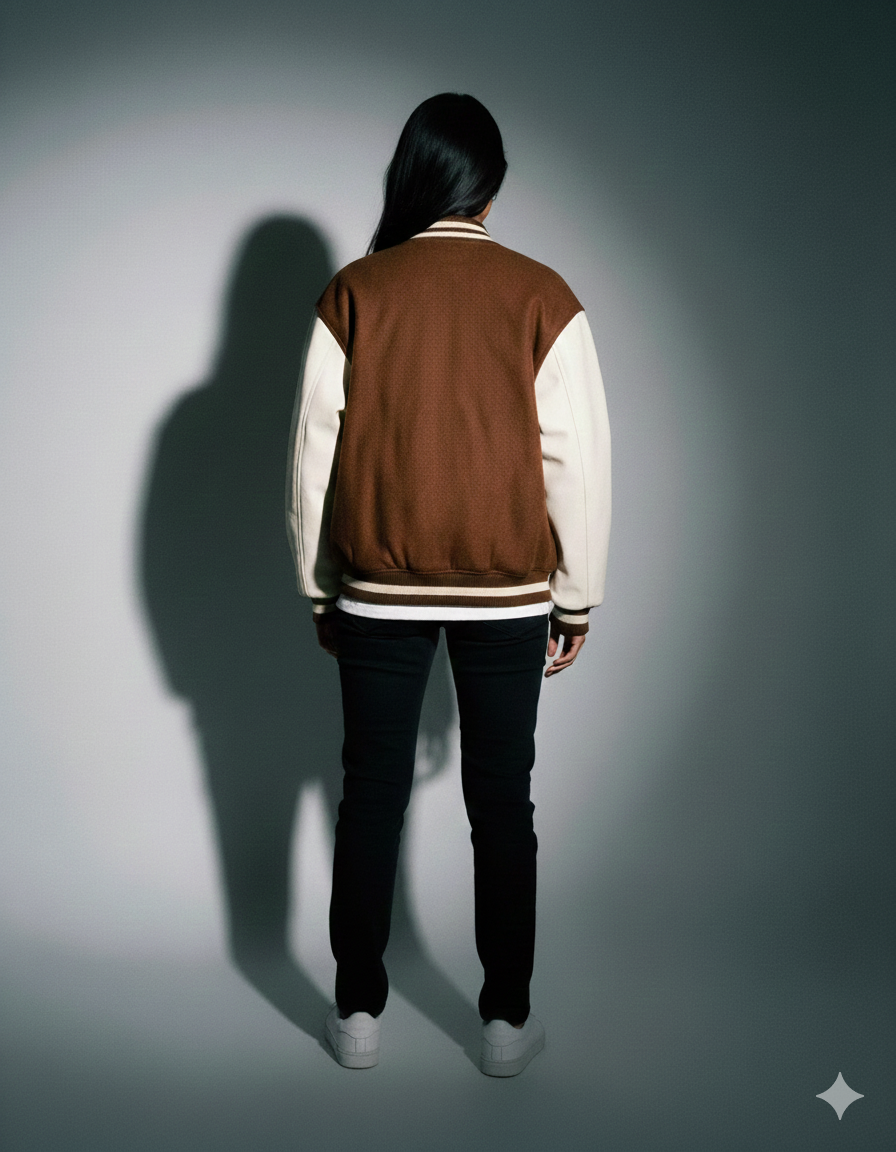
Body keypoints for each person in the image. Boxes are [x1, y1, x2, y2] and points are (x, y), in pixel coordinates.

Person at [286, 92, 610, 1077]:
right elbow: (577, 458)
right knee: (502, 802)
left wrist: (321, 586)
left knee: (368, 795)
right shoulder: (541, 294)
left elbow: (312, 457)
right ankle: (505, 1023)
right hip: (507, 594)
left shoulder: (356, 291)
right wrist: (576, 594)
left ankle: (355, 1013)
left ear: (412, 175)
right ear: (489, 185)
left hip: (377, 589)